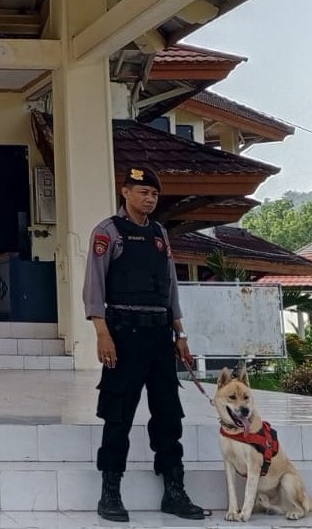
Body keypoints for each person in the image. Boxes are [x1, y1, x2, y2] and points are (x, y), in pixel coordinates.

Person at [83, 166, 206, 523]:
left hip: (159, 335)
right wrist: (101, 332)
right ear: (125, 192)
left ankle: (174, 489)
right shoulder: (109, 232)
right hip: (123, 334)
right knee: (118, 412)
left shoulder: (159, 234)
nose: (149, 198)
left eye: (153, 193)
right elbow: (94, 285)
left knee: (168, 414)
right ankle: (110, 491)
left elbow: (170, 286)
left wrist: (180, 334)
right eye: (142, 192)